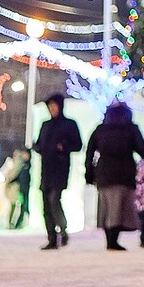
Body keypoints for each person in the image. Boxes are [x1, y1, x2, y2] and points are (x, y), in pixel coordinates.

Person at [85, 99, 144, 251]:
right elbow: (142, 150)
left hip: (104, 174)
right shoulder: (130, 129)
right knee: (119, 208)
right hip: (124, 173)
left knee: (108, 208)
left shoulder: (100, 130)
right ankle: (112, 241)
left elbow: (89, 153)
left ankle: (110, 239)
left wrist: (89, 173)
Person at [31, 91, 83, 250]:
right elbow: (39, 143)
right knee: (46, 203)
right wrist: (38, 148)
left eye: (53, 106)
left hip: (60, 169)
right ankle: (52, 237)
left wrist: (63, 147)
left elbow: (78, 145)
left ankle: (63, 228)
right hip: (46, 169)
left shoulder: (69, 124)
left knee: (54, 200)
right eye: (49, 106)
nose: (51, 109)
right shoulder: (46, 125)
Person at [4, 146, 32, 229]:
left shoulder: (25, 166)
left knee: (22, 207)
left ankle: (17, 224)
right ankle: (15, 224)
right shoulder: (21, 166)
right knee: (18, 206)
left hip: (23, 189)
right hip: (19, 189)